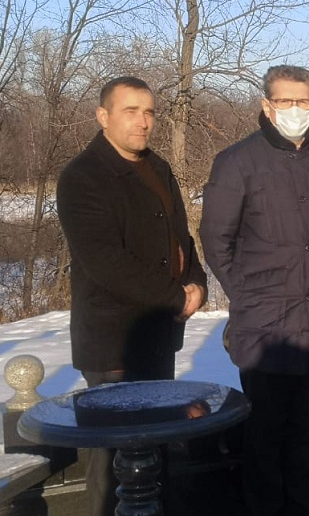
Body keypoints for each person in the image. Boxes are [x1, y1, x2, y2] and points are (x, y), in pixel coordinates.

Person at [199, 65, 309, 515]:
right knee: (265, 436)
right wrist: (247, 293)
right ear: (266, 106)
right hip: (267, 324)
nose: (294, 110)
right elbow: (216, 239)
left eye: (302, 101)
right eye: (284, 101)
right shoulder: (237, 161)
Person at [56, 76, 208, 516]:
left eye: (149, 112)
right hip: (113, 344)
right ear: (102, 116)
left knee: (157, 444)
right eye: (130, 111)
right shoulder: (82, 177)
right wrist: (176, 297)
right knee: (114, 459)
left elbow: (181, 238)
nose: (143, 122)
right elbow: (106, 262)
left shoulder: (157, 167)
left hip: (157, 336)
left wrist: (197, 282)